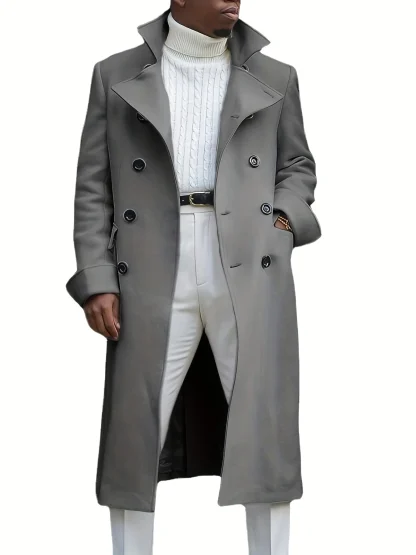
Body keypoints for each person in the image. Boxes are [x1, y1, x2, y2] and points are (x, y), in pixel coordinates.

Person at [65, 2, 321, 554]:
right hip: (151, 257)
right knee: (136, 428)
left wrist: (281, 221)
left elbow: (297, 165)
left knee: (263, 425)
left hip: (249, 256)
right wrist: (96, 277)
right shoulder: (114, 74)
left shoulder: (276, 76)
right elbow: (93, 186)